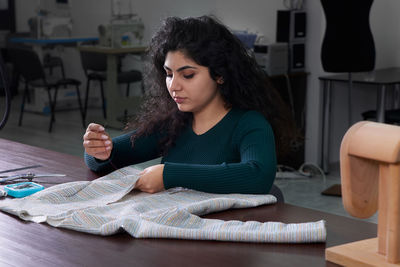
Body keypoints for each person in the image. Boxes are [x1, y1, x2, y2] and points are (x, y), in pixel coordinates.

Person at [83, 15, 292, 195]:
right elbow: (108, 158)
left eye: (188, 75)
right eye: (168, 74)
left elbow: (258, 176)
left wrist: (170, 175)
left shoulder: (249, 124)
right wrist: (98, 150)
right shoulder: (173, 123)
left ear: (219, 74)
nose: (173, 86)